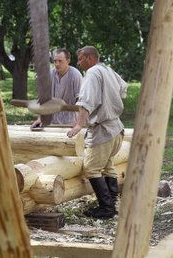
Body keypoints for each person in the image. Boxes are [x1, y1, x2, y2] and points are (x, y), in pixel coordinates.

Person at [67, 46, 127, 219]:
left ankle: (106, 208)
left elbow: (86, 101)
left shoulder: (92, 73)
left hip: (103, 130)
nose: (78, 63)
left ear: (90, 58)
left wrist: (79, 125)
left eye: (80, 59)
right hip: (116, 127)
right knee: (108, 166)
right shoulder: (107, 70)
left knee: (91, 167)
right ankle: (111, 204)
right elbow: (123, 90)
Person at [31, 48, 83, 128]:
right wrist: (40, 118)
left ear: (68, 61)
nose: (57, 64)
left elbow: (81, 101)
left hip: (70, 122)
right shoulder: (49, 75)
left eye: (60, 61)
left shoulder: (75, 75)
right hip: (52, 122)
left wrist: (79, 123)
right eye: (55, 61)